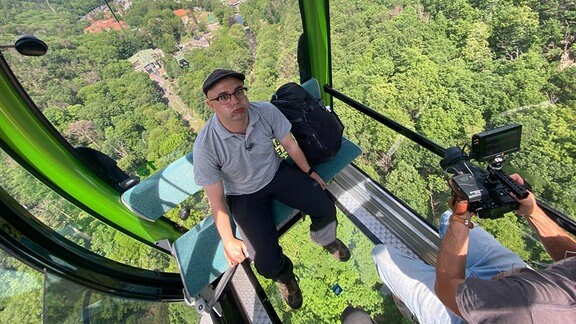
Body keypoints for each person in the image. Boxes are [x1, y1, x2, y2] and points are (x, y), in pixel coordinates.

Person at [193, 69, 350, 310]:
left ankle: (325, 239)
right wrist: (228, 240)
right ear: (211, 105)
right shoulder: (206, 146)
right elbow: (217, 202)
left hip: (276, 174)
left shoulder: (265, 112)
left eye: (238, 91)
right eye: (223, 97)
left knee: (324, 206)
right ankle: (285, 277)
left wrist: (308, 171)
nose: (234, 101)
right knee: (264, 261)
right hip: (243, 195)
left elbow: (289, 144)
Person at [372, 173, 576, 323]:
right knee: (445, 219)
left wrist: (460, 218)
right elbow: (571, 257)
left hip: (475, 312)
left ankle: (409, 307)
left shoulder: (532, 310)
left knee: (382, 255)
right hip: (525, 280)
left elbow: (449, 290)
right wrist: (533, 212)